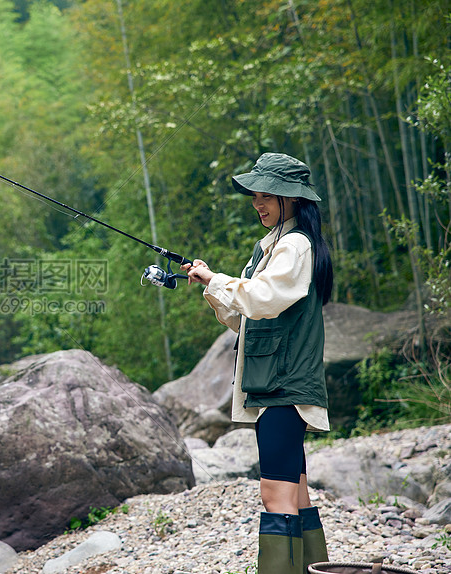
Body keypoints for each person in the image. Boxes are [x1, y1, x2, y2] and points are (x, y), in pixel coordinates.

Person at [182, 152, 334, 574]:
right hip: (277, 388)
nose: (258, 203)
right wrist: (211, 284)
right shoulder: (272, 248)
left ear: (293, 200)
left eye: (267, 196)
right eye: (256, 196)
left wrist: (217, 280)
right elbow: (244, 316)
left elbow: (263, 298)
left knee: (274, 496)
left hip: (285, 388)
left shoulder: (295, 245)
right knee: (297, 492)